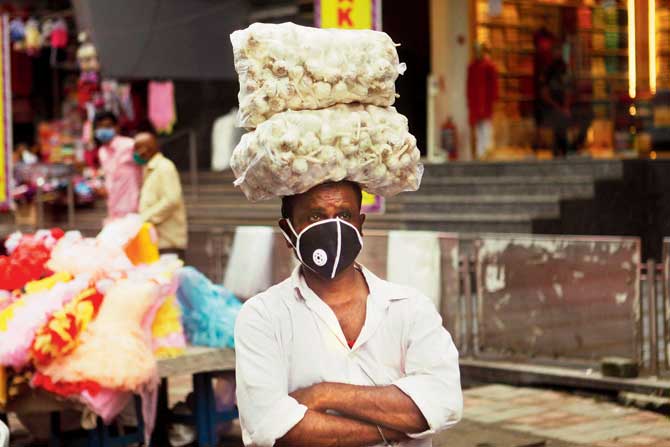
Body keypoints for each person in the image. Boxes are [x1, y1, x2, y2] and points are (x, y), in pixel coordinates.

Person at [234, 180, 462, 447]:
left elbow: (444, 402)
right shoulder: (263, 316)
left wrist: (325, 393)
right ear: (288, 231)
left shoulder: (410, 307)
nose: (333, 229)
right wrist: (394, 430)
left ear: (360, 225)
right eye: (315, 216)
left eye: (344, 215)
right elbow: (271, 426)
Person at [133, 131, 187, 258]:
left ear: (145, 149)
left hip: (168, 243)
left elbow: (172, 200)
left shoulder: (165, 167)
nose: (134, 154)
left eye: (136, 149)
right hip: (156, 243)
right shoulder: (149, 169)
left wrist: (144, 218)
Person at [93, 111, 141, 221]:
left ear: (117, 127)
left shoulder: (130, 145)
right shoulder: (102, 152)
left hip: (133, 210)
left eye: (108, 126)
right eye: (100, 127)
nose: (103, 130)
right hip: (113, 210)